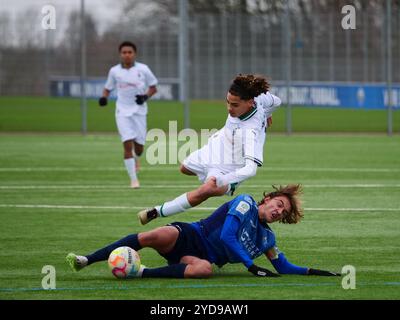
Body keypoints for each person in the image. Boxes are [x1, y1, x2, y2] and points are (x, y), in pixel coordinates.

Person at [66, 184, 341, 279]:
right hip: (190, 235)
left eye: (283, 212)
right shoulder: (244, 202)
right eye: (279, 204)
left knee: (205, 270)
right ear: (267, 198)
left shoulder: (268, 238)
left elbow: (282, 266)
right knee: (153, 236)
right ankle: (87, 260)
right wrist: (250, 266)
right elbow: (227, 236)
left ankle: (140, 273)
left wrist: (315, 272)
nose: (279, 211)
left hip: (200, 258)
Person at [137, 74, 281, 225]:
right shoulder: (259, 99)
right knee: (184, 168)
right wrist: (268, 114)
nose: (229, 108)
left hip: (228, 168)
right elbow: (277, 101)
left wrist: (222, 180)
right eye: (228, 102)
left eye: (235, 105)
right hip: (216, 147)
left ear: (250, 103)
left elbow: (250, 170)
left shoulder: (249, 131)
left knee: (206, 191)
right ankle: (208, 178)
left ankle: (156, 212)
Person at [98, 41, 158, 188]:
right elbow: (107, 88)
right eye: (124, 52)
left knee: (139, 148)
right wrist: (104, 97)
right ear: (120, 54)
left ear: (134, 54)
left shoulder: (143, 69)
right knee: (127, 144)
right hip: (122, 111)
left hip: (139, 111)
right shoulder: (114, 71)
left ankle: (137, 159)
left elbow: (153, 87)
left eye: (129, 52)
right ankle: (133, 180)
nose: (127, 55)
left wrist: (145, 97)